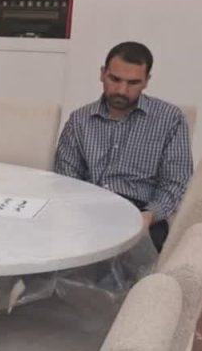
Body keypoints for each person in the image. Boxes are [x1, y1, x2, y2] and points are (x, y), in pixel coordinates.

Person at [55, 41, 192, 251]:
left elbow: (176, 182)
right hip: (88, 212)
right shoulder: (80, 120)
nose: (122, 90)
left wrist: (149, 216)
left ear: (146, 81)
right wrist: (78, 214)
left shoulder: (170, 119)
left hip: (142, 214)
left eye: (133, 83)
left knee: (129, 264)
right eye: (115, 79)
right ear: (102, 74)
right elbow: (66, 178)